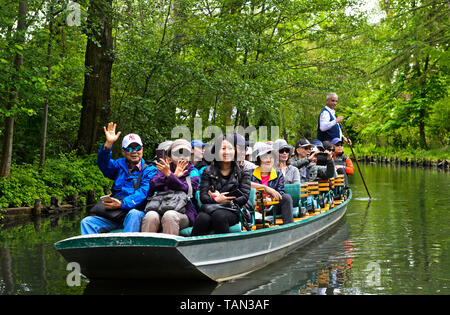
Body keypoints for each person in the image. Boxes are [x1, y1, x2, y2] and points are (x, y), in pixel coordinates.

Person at [80, 122, 157, 235]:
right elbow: (103, 164)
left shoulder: (150, 170)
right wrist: (108, 144)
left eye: (137, 147)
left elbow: (143, 193)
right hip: (115, 214)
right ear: (123, 151)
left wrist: (122, 204)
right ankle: (92, 251)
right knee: (87, 222)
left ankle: (126, 250)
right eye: (130, 149)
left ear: (142, 149)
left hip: (136, 212)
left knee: (134, 214)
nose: (134, 151)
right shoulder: (118, 165)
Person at [191, 134, 251, 236]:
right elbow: (203, 196)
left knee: (219, 216)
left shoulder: (243, 171)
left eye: (230, 148)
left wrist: (226, 199)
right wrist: (216, 199)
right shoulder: (207, 171)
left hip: (232, 209)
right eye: (222, 148)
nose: (226, 152)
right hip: (212, 207)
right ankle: (192, 249)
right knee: (202, 218)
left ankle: (225, 249)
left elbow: (244, 197)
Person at [141, 139, 200, 235]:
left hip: (183, 212)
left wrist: (171, 176)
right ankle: (145, 249)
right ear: (171, 156)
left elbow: (187, 189)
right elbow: (153, 184)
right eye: (177, 153)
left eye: (185, 153)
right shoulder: (165, 168)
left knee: (170, 216)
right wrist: (170, 175)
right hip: (159, 208)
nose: (181, 156)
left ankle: (168, 250)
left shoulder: (193, 172)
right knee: (150, 216)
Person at [250, 144, 294, 224]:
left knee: (286, 197)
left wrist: (270, 199)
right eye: (265, 157)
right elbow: (244, 184)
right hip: (254, 207)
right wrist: (264, 188)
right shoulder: (250, 173)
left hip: (271, 207)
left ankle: (289, 227)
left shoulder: (278, 174)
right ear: (259, 160)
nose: (269, 160)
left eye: (271, 157)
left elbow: (280, 192)